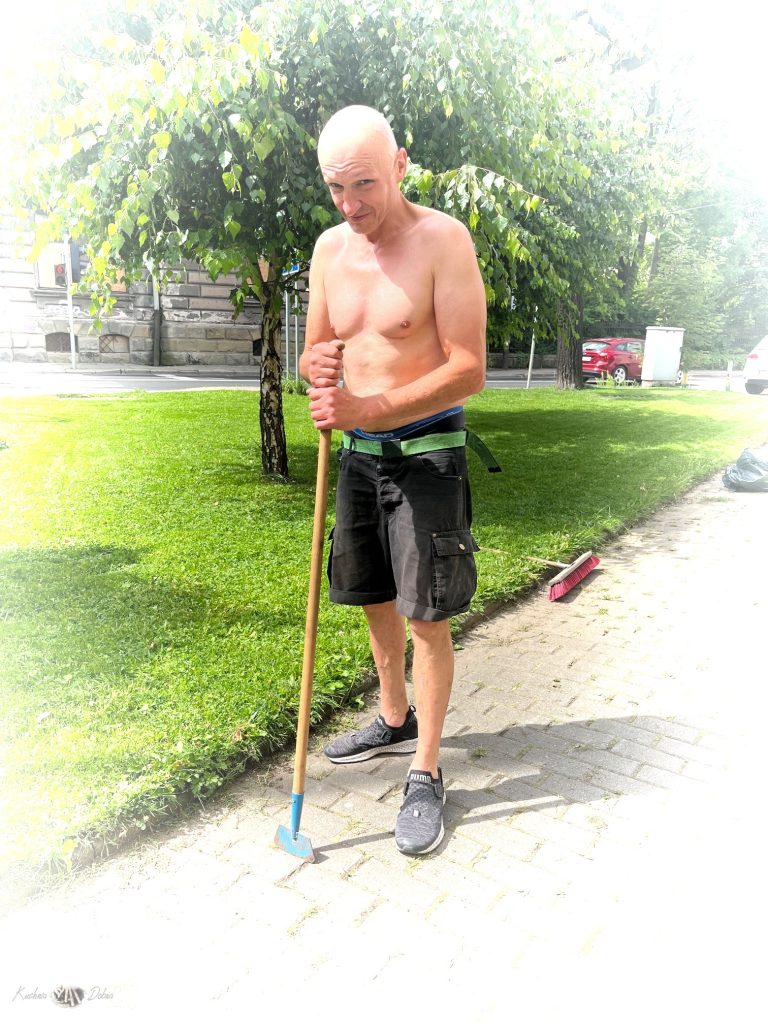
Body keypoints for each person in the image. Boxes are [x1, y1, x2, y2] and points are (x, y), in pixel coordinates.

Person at [299, 105, 486, 856]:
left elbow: (467, 368)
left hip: (426, 454)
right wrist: (315, 368)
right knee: (371, 594)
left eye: (365, 184)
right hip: (355, 457)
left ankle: (426, 769)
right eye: (336, 188)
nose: (350, 205)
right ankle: (393, 716)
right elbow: (317, 351)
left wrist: (368, 408)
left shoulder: (444, 241)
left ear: (400, 165)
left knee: (425, 613)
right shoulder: (328, 250)